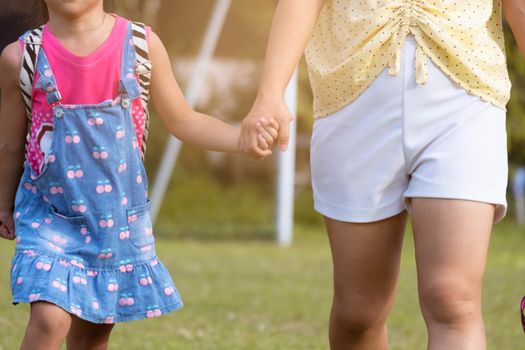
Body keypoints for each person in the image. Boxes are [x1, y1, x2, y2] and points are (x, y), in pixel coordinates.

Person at [239, 0, 525, 349]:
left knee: (453, 300)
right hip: (350, 95)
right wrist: (270, 92)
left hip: (467, 98)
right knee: (358, 313)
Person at [0, 0, 277, 349]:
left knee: (90, 337)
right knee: (49, 318)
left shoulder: (140, 45)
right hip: (49, 220)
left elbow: (185, 121)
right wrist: (3, 204)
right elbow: (9, 145)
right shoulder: (21, 57)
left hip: (114, 224)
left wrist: (240, 138)